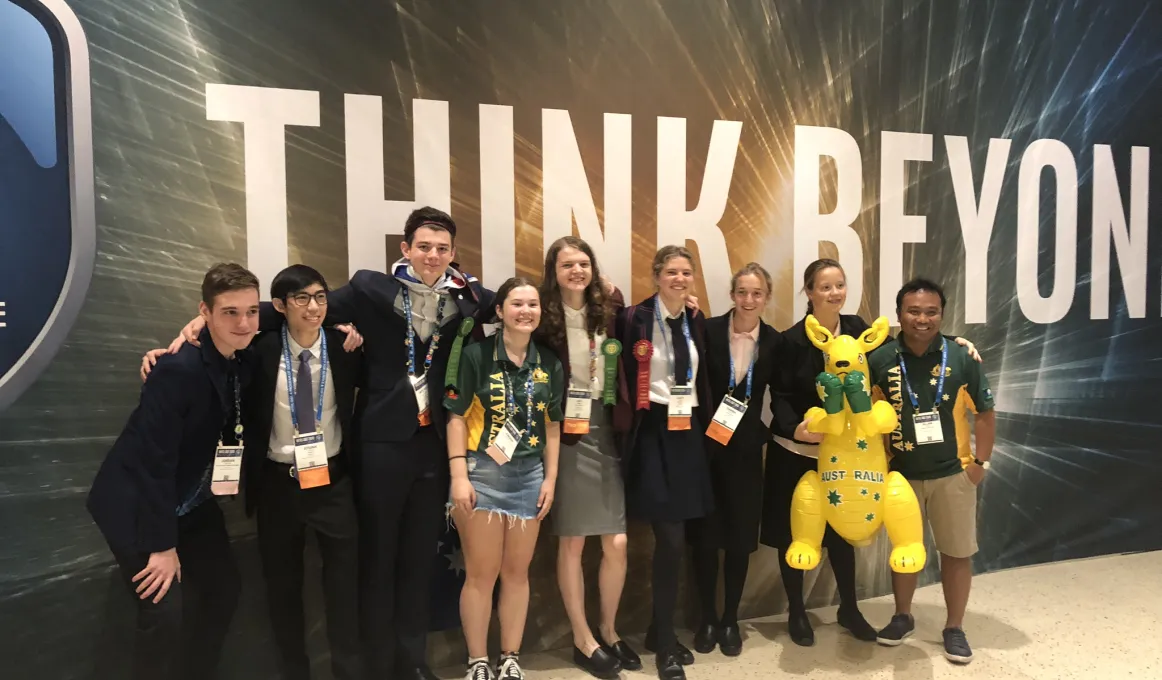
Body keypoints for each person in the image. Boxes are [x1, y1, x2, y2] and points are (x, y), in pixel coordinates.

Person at [168, 207, 494, 680]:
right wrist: (208, 324)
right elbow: (299, 307)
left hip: (434, 444)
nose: (432, 255)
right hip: (379, 445)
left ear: (453, 254)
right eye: (423, 246)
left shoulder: (464, 298)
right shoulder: (369, 289)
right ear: (405, 249)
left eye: (442, 248)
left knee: (419, 559)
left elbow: (504, 306)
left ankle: (412, 663)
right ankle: (379, 666)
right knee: (377, 561)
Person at [762, 259, 982, 647]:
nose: (834, 293)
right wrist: (795, 427)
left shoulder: (859, 331)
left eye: (839, 285)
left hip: (849, 455)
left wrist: (958, 344)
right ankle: (797, 611)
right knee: (797, 532)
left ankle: (849, 607)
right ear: (809, 292)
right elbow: (777, 396)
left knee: (843, 535)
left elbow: (906, 354)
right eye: (824, 287)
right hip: (799, 451)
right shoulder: (790, 339)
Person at [87, 263, 258, 679]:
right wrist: (162, 547)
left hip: (193, 500)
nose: (243, 322)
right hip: (139, 504)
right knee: (163, 613)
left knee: (223, 590)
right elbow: (153, 465)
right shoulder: (177, 370)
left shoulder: (239, 355)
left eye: (251, 311)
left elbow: (286, 308)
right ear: (205, 311)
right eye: (229, 312)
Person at [869, 278, 996, 665]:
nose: (922, 319)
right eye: (913, 311)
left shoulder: (961, 358)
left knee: (956, 554)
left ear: (941, 314)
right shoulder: (880, 359)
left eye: (931, 312)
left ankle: (954, 627)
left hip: (952, 474)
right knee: (904, 551)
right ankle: (902, 616)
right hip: (901, 477)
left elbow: (986, 414)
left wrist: (979, 465)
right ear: (898, 314)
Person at [445, 277, 564, 680]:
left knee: (517, 573)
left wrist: (550, 479)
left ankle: (509, 656)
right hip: (482, 473)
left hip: (530, 476)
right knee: (481, 574)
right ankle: (477, 660)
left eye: (533, 304)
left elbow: (552, 427)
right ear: (499, 311)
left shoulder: (549, 362)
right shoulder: (476, 356)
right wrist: (459, 476)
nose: (526, 311)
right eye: (517, 304)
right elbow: (456, 417)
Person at [535, 236, 637, 679]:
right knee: (572, 540)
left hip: (606, 424)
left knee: (616, 542)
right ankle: (582, 638)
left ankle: (609, 629)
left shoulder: (608, 305)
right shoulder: (541, 313)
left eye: (583, 263)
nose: (576, 271)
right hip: (564, 431)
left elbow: (639, 313)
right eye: (566, 265)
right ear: (552, 272)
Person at [613, 245, 714, 680]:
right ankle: (666, 643)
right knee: (668, 538)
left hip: (686, 429)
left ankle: (659, 630)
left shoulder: (695, 319)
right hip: (650, 430)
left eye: (686, 272)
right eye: (671, 272)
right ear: (656, 275)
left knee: (682, 535)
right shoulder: (635, 317)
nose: (679, 279)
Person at [688, 263, 780, 658]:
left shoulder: (775, 342)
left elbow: (786, 394)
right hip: (706, 450)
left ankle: (730, 620)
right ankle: (707, 617)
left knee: (740, 539)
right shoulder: (706, 331)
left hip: (745, 452)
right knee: (705, 539)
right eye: (742, 292)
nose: (748, 300)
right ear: (732, 294)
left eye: (756, 293)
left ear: (766, 297)